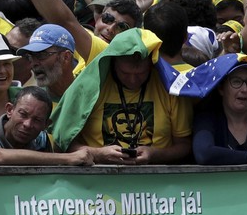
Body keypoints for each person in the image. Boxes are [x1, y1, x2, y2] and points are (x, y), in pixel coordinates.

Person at [52, 28, 192, 165]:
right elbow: (62, 145)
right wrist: (97, 154)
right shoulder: (88, 87)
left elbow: (184, 145)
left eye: (140, 74)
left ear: (151, 65)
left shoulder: (169, 87)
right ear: (113, 63)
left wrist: (154, 154)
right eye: (125, 73)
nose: (132, 80)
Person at [0, 85, 94, 166]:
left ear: (46, 125)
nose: (27, 124)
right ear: (10, 110)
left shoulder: (41, 139)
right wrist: (69, 158)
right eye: (23, 114)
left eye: (37, 120)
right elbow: (1, 156)